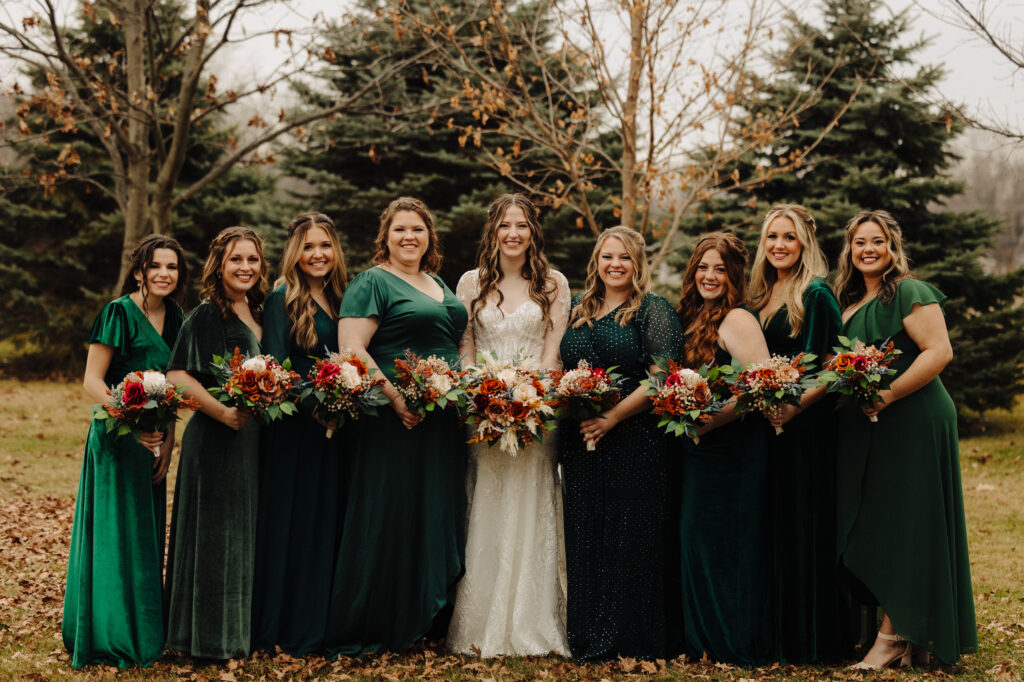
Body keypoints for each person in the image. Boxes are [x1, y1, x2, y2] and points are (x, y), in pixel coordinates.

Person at [322, 197, 469, 656]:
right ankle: (377, 619)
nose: (410, 237)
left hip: (440, 422)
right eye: (401, 229)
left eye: (419, 230)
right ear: (385, 235)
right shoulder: (372, 282)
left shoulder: (438, 283)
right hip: (393, 421)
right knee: (389, 512)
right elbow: (352, 348)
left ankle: (426, 616)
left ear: (430, 237)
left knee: (432, 510)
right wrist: (395, 397)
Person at [833, 210, 977, 669]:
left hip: (915, 417)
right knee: (883, 520)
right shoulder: (849, 299)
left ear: (892, 247)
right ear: (849, 250)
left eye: (877, 242)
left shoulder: (909, 292)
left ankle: (894, 636)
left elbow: (940, 351)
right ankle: (907, 630)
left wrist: (889, 392)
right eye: (859, 243)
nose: (868, 250)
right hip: (878, 424)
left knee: (910, 521)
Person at [448, 194, 571, 657]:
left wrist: (531, 399)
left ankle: (532, 622)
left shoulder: (554, 284)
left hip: (538, 412)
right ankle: (481, 622)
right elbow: (466, 345)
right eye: (505, 225)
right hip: (482, 410)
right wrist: (483, 394)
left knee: (533, 500)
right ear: (493, 232)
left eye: (521, 225)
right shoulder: (470, 283)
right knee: (486, 501)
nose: (513, 234)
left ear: (533, 232)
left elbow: (553, 350)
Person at [558, 225, 684, 660]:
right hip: (581, 439)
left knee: (630, 533)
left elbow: (661, 376)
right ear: (596, 260)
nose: (615, 264)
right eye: (607, 256)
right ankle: (586, 633)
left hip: (635, 438)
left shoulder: (653, 310)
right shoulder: (576, 307)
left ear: (638, 264)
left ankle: (630, 637)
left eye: (624, 257)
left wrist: (611, 417)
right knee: (586, 530)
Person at [63, 235, 187, 668]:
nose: (164, 274)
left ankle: (145, 628)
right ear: (139, 271)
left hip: (154, 443)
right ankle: (110, 634)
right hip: (117, 440)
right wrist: (129, 424)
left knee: (145, 536)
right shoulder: (117, 313)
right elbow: (92, 381)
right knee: (115, 538)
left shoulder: (177, 318)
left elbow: (174, 384)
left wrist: (168, 444)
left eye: (172, 267)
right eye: (156, 266)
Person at [746, 204, 847, 663]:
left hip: (806, 430)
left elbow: (829, 369)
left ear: (804, 243)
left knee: (803, 525)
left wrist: (791, 408)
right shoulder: (760, 294)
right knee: (772, 526)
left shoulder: (817, 294)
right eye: (772, 237)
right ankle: (774, 636)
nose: (779, 246)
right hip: (766, 427)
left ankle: (810, 640)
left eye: (788, 237)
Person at [165, 226, 267, 659]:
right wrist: (222, 411)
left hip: (253, 440)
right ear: (219, 266)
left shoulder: (260, 310)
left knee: (242, 535)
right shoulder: (209, 315)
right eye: (236, 260)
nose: (245, 267)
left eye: (253, 260)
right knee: (215, 537)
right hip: (216, 439)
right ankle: (207, 639)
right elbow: (178, 376)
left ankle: (240, 630)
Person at [674, 231, 774, 664]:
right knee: (695, 541)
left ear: (733, 275)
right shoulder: (693, 315)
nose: (710, 276)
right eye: (703, 267)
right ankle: (701, 638)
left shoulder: (738, 319)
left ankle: (729, 640)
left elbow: (762, 385)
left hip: (730, 451)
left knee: (721, 544)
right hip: (697, 450)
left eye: (720, 269)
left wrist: (712, 420)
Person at [251, 212, 348, 656]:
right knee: (293, 521)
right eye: (308, 246)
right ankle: (286, 623)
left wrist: (344, 404)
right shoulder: (281, 300)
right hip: (295, 428)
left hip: (338, 426)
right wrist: (317, 408)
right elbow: (277, 366)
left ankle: (321, 619)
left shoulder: (342, 297)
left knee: (326, 520)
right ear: (295, 252)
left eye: (324, 246)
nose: (317, 255)